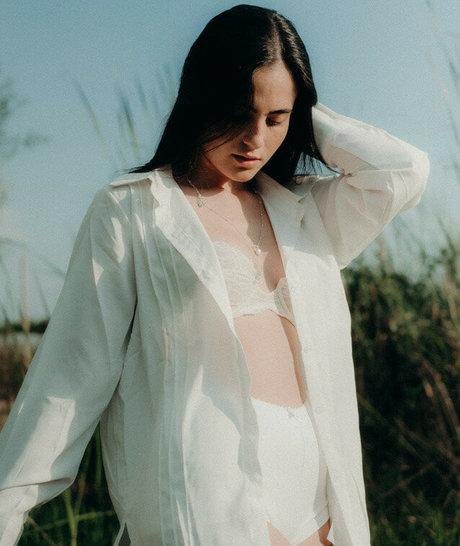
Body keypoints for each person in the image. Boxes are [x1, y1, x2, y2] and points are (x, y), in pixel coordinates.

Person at [0, 4, 429, 546]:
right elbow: (68, 380)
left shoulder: (304, 210)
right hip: (209, 492)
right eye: (236, 113)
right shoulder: (134, 211)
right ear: (200, 98)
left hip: (321, 496)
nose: (254, 140)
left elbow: (402, 170)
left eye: (275, 120)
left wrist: (298, 105)